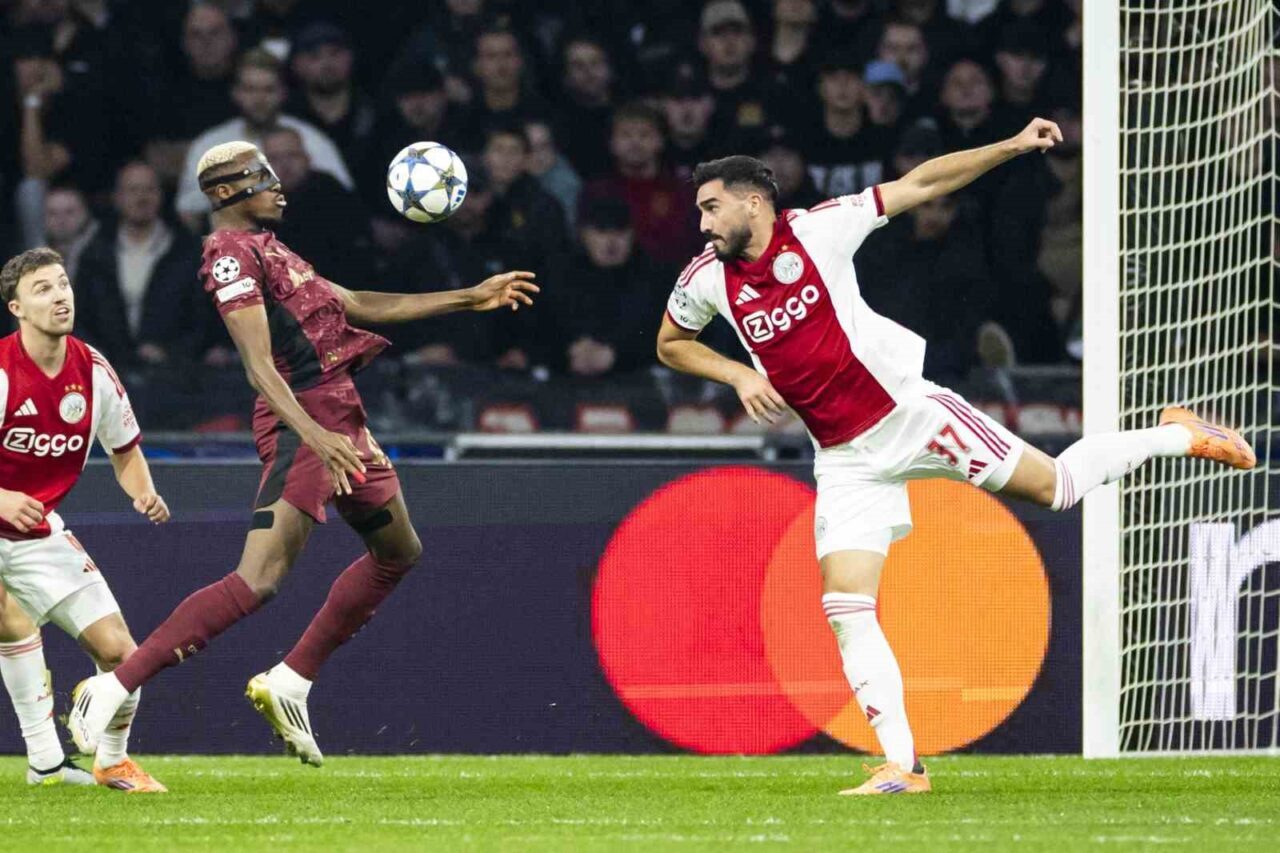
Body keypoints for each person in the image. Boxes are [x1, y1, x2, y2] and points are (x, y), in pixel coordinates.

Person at [656, 123, 1255, 795]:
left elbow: (922, 183)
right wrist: (737, 373)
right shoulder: (706, 278)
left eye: (712, 207)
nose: (702, 224)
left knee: (1057, 487)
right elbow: (670, 343)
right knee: (845, 605)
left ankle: (1178, 434)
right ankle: (904, 766)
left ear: (754, 202)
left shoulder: (821, 230)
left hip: (913, 417)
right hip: (844, 456)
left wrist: (1011, 146)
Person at [67, 141, 539, 766]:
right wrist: (315, 435)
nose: (277, 184)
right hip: (305, 420)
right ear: (224, 193)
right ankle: (114, 685)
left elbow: (355, 302)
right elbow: (259, 367)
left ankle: (291, 680)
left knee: (398, 552)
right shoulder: (229, 255)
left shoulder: (271, 247)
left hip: (340, 414)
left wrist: (468, 297)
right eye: (261, 176)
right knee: (258, 579)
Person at [0, 247, 171, 793]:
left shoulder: (92, 369)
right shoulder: (2, 371)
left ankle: (112, 761)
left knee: (123, 654)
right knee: (11, 620)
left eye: (63, 284)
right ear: (16, 309)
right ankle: (47, 763)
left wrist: (144, 492)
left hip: (36, 533)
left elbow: (124, 450)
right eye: (43, 289)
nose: (60, 297)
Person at [175, 49, 354, 231]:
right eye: (250, 89)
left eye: (269, 89)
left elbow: (343, 200)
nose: (259, 100)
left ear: (283, 93)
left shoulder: (311, 140)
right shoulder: (209, 146)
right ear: (236, 93)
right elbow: (188, 212)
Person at [75, 162, 208, 366]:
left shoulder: (188, 253)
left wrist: (169, 353)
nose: (142, 197)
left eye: (149, 189)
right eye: (133, 190)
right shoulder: (95, 254)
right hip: (108, 371)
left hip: (173, 373)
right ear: (117, 198)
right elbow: (80, 318)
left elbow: (202, 320)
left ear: (161, 196)